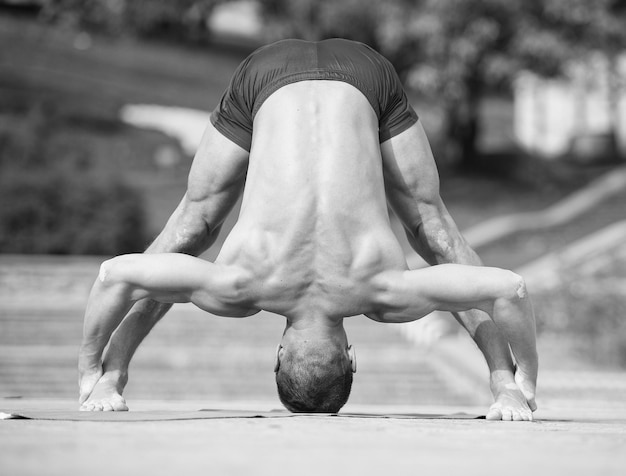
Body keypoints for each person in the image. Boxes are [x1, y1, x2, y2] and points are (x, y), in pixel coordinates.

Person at [78, 38, 538, 420]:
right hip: (267, 75)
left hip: (362, 76)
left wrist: (516, 383)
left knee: (190, 228)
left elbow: (490, 289)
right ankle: (111, 377)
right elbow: (127, 276)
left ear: (351, 358)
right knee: (189, 233)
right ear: (277, 357)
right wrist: (92, 369)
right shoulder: (241, 289)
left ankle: (114, 376)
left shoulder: (382, 295)